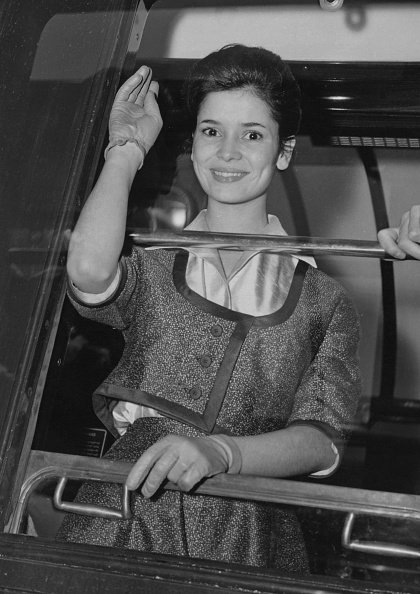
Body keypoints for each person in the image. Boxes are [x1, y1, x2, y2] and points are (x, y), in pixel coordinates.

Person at [57, 44, 361, 572]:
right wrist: (125, 149)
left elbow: (321, 442)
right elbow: (87, 272)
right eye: (211, 130)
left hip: (249, 531)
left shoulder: (324, 301)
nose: (227, 152)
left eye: (252, 134)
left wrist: (224, 453)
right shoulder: (155, 268)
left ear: (283, 151)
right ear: (193, 141)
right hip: (127, 508)